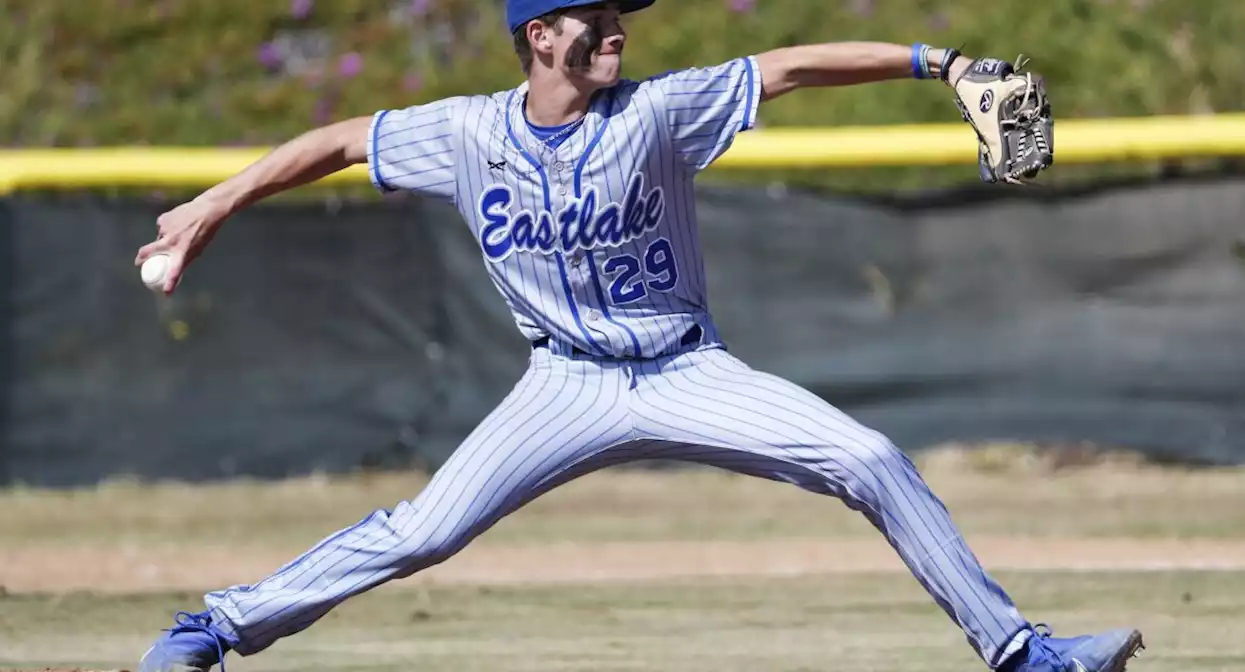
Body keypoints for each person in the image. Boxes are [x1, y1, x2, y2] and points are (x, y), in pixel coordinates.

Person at [136, 2, 1142, 671]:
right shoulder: (469, 133)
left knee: (869, 457)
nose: (616, 28)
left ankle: (1023, 656)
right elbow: (341, 141)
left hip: (683, 368)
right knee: (423, 532)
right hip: (561, 386)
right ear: (538, 36)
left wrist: (941, 63)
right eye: (594, 14)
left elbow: (788, 66)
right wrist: (214, 205)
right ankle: (211, 629)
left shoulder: (657, 113)